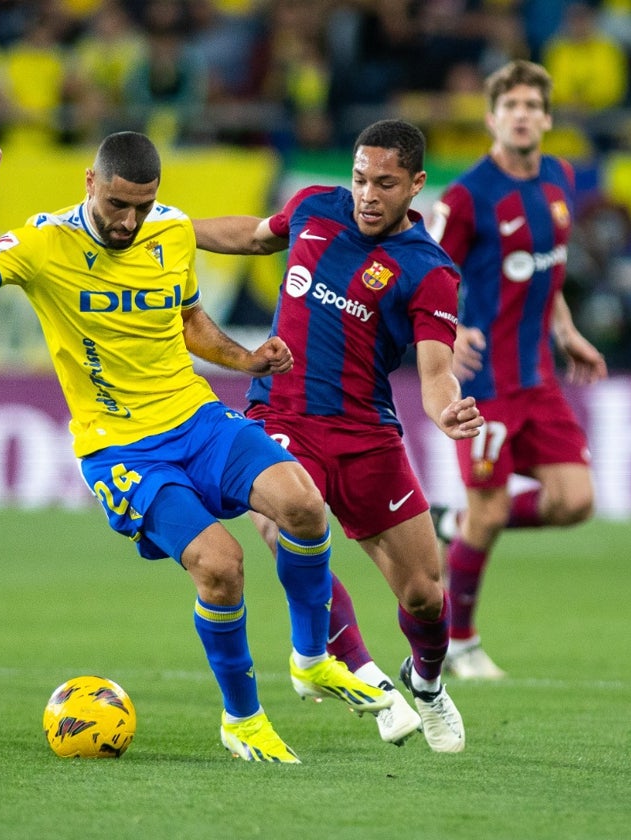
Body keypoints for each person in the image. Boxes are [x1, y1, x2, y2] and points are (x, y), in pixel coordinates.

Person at [0, 131, 392, 763]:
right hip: (122, 451)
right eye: (117, 205)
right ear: (89, 183)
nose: (130, 220)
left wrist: (246, 358)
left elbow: (189, 321)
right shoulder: (41, 242)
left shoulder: (168, 231)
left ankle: (310, 659)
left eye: (142, 205)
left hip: (195, 419)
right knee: (220, 566)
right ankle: (243, 720)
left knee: (303, 504)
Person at [194, 119, 481, 754]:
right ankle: (364, 674)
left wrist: (447, 413)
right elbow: (252, 236)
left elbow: (435, 375)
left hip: (366, 435)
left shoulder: (430, 272)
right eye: (359, 179)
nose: (367, 195)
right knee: (285, 521)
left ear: (415, 185)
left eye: (384, 183)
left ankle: (427, 684)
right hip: (283, 417)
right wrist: (172, 228)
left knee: (425, 597)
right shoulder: (315, 207)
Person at [427, 60, 607, 680]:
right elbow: (427, 274)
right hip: (486, 387)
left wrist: (566, 330)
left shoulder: (559, 177)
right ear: (492, 118)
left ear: (548, 118)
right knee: (493, 510)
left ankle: (454, 523)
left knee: (575, 500)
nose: (524, 114)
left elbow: (546, 269)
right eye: (512, 106)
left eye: (534, 105)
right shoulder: (466, 196)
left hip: (540, 380)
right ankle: (460, 643)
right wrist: (452, 334)